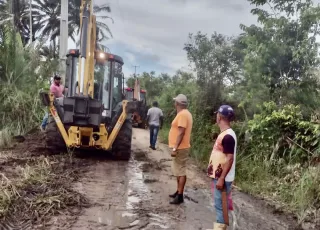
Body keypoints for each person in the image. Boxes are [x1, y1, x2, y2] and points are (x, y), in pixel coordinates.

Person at [207, 105, 237, 230]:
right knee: (221, 206)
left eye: (217, 115)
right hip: (221, 177)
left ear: (219, 117)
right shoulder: (225, 134)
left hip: (223, 178)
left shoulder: (228, 136)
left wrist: (221, 178)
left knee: (220, 207)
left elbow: (230, 158)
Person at [168, 94, 193, 205]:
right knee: (178, 170)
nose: (174, 104)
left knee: (181, 171)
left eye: (175, 102)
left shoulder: (183, 114)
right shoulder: (185, 113)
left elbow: (181, 132)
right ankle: (178, 191)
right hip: (181, 147)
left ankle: (180, 196)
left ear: (177, 103)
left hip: (180, 147)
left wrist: (175, 147)